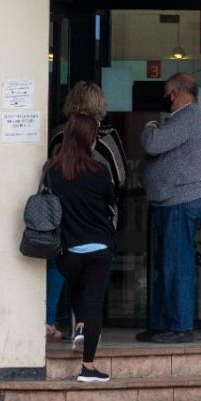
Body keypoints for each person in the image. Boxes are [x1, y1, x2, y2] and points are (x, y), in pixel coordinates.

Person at [46, 81, 128, 342]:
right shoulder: (108, 136)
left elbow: (50, 169)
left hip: (65, 218)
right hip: (98, 220)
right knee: (93, 273)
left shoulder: (60, 133)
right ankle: (84, 326)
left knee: (62, 266)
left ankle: (50, 319)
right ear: (100, 105)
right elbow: (120, 176)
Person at [45, 115, 117, 382]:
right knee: (95, 303)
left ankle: (79, 325)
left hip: (68, 249)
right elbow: (111, 202)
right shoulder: (99, 171)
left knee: (75, 287)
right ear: (90, 139)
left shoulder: (52, 170)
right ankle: (88, 366)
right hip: (99, 246)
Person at [138, 72, 201, 344]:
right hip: (169, 200)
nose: (166, 99)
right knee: (164, 266)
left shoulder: (187, 117)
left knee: (175, 266)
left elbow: (153, 144)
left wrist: (149, 125)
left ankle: (179, 327)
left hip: (180, 200)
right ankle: (162, 324)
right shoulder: (181, 119)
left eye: (168, 93)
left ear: (177, 92)